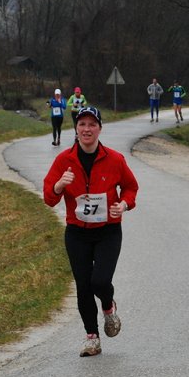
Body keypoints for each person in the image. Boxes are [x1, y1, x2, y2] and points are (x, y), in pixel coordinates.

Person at [43, 106, 139, 357]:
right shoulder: (64, 160)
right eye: (82, 124)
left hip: (108, 231)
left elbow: (131, 188)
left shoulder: (115, 159)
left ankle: (108, 307)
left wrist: (124, 204)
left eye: (92, 124)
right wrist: (58, 185)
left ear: (100, 129)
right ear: (76, 129)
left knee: (100, 281)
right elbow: (49, 198)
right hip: (77, 233)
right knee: (84, 286)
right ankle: (92, 337)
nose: (87, 129)